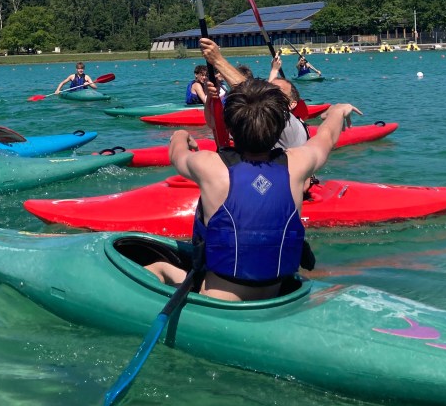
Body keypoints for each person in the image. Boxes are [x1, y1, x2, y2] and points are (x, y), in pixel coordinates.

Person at [146, 79, 361, 302]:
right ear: (281, 125)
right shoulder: (298, 163)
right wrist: (337, 111)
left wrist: (180, 135)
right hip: (279, 291)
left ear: (229, 126)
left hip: (220, 299)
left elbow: (176, 155)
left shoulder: (208, 165)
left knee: (159, 267)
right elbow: (326, 137)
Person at [201, 40, 308, 149]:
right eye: (269, 90)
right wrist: (210, 98)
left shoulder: (290, 125)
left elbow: (250, 93)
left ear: (292, 104)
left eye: (275, 92)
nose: (268, 93)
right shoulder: (254, 114)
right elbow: (213, 123)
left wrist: (217, 60)